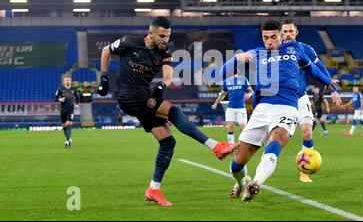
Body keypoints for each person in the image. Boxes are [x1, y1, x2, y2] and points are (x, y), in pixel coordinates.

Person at [96, 16, 236, 206]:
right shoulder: (129, 42)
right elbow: (106, 51)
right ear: (150, 33)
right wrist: (104, 78)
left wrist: (163, 84)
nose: (165, 40)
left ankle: (153, 189)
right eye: (161, 36)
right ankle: (215, 147)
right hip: (128, 95)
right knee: (174, 111)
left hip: (143, 97)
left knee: (168, 141)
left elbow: (169, 75)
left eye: (168, 36)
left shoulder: (164, 51)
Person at [221, 19, 339, 202]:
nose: (269, 41)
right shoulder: (257, 54)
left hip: (287, 107)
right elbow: (222, 74)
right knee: (236, 164)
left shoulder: (295, 50)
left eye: (273, 37)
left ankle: (257, 183)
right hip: (262, 109)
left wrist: (328, 82)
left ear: (281, 36)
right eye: (265, 38)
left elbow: (313, 70)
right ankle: (242, 182)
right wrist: (234, 59)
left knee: (274, 142)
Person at [280, 19, 341, 183]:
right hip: (281, 101)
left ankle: (304, 171)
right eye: (284, 32)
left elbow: (320, 68)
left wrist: (332, 90)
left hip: (300, 97)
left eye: (290, 31)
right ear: (280, 33)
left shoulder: (305, 50)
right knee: (277, 137)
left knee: (307, 131)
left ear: (296, 32)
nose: (287, 35)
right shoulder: (274, 51)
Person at [211, 74, 254, 143]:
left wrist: (249, 94)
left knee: (243, 128)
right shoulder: (227, 81)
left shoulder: (243, 79)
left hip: (241, 107)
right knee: (230, 126)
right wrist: (216, 103)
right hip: (230, 107)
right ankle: (231, 145)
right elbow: (222, 94)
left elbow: (251, 91)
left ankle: (242, 145)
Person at [55, 76, 79, 148]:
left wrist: (77, 104)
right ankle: (69, 139)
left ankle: (67, 141)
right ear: (64, 81)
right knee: (64, 125)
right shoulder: (60, 89)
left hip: (70, 109)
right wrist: (59, 99)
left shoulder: (73, 90)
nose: (67, 81)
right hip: (63, 110)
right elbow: (55, 98)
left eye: (69, 80)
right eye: (66, 80)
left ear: (71, 81)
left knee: (68, 124)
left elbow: (77, 97)